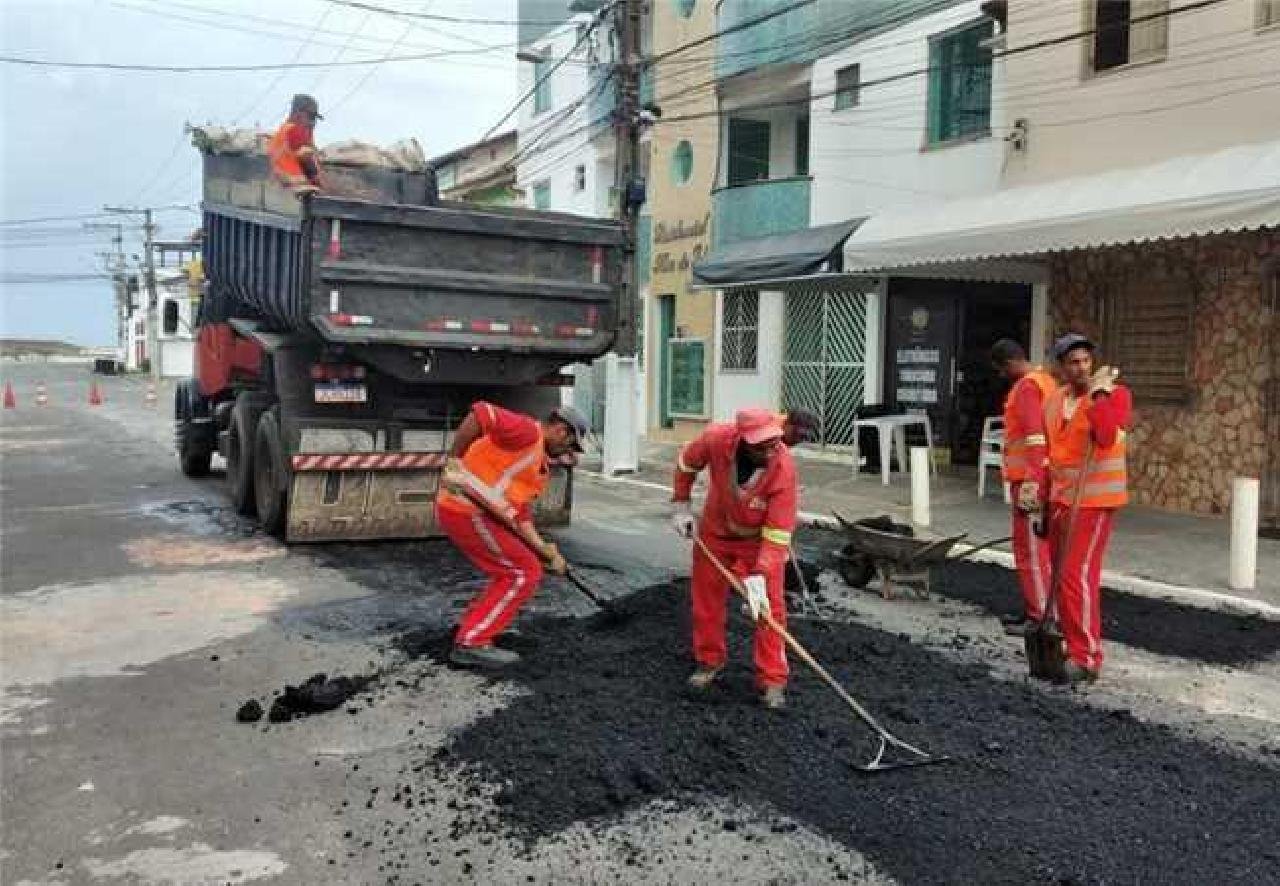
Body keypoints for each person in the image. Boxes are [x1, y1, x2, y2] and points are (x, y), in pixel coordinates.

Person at [436, 401, 588, 668]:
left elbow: (520, 516)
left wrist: (545, 552)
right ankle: (472, 641)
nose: (568, 452)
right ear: (562, 431)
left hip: (477, 513)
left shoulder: (537, 465)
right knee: (521, 572)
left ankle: (478, 624)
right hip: (467, 509)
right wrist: (455, 459)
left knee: (524, 566)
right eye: (571, 445)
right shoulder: (527, 433)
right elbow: (481, 413)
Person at [670, 408, 799, 709]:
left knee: (767, 610)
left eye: (773, 442)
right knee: (707, 601)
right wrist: (681, 504)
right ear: (742, 439)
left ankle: (772, 679)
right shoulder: (716, 439)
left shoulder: (783, 470)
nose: (769, 450)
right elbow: (686, 464)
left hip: (759, 543)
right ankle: (709, 662)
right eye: (761, 445)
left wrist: (760, 578)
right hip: (715, 534)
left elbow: (778, 536)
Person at [1043, 333, 1131, 684]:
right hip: (1062, 500)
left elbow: (1107, 435)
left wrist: (1100, 394)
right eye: (1073, 362)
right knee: (1063, 576)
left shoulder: (1115, 396)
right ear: (1062, 368)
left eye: (1085, 361)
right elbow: (1053, 453)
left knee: (1074, 575)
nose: (1081, 368)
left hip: (1094, 502)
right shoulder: (1054, 401)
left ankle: (1086, 656)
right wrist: (1041, 499)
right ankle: (1070, 643)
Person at [990, 338, 1058, 637]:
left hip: (1031, 481)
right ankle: (1042, 610)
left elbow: (1035, 438)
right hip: (1044, 477)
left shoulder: (1028, 388)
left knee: (1029, 549)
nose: (1003, 376)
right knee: (1040, 548)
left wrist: (1032, 483)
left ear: (1008, 364)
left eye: (1002, 370)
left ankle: (1041, 618)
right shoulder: (1047, 382)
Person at [268, 94, 324, 194]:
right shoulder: (296, 130)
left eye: (314, 118)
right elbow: (305, 156)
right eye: (311, 117)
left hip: (285, 189)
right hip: (298, 191)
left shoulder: (284, 130)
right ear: (298, 113)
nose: (313, 122)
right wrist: (318, 183)